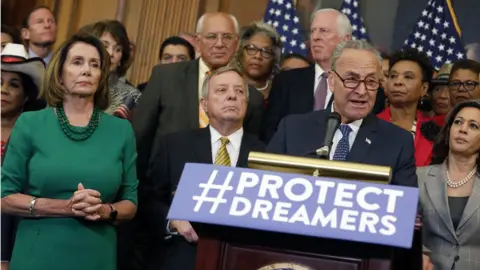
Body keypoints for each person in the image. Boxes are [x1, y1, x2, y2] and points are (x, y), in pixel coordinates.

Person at [0, 33, 138, 270]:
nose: (86, 70)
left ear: (101, 76)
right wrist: (65, 207)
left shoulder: (121, 130)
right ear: (60, 75)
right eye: (77, 62)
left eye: (94, 64)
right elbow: (5, 198)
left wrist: (105, 210)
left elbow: (131, 203)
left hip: (97, 255)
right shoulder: (30, 124)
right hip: (37, 254)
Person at [143, 66, 266, 270]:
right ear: (204, 104)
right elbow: (150, 200)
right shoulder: (174, 146)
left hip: (241, 261)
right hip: (182, 259)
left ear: (246, 101)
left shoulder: (265, 154)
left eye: (239, 91)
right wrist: (172, 220)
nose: (232, 96)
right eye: (221, 90)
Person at [132, 12, 264, 184]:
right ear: (197, 41)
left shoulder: (251, 96)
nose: (219, 44)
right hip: (164, 189)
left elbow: (250, 150)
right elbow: (139, 137)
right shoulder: (166, 77)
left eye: (227, 37)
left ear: (236, 43)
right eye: (211, 36)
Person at [267, 40, 417, 187]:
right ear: (332, 81)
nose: (362, 91)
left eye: (371, 81)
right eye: (352, 79)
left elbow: (405, 207)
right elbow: (266, 186)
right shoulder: (293, 129)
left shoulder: (398, 143)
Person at [262, 8, 385, 142]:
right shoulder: (286, 81)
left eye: (324, 31)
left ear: (345, 39)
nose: (315, 37)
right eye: (313, 31)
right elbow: (270, 133)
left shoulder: (366, 89)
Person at [418, 100, 480, 270]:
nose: (463, 129)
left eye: (473, 126)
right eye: (458, 122)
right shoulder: (419, 177)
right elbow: (404, 229)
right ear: (449, 129)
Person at [1, 43, 47, 270]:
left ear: (27, 95)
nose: (3, 90)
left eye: (14, 84)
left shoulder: (35, 138)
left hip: (16, 240)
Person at [377, 49, 436, 167]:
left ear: (423, 88)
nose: (398, 82)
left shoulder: (435, 133)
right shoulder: (369, 126)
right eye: (393, 76)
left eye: (408, 77)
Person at [78, 20, 141, 118]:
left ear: (121, 59)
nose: (111, 53)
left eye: (118, 49)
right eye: (105, 46)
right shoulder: (74, 85)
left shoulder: (131, 97)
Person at [231, 21, 282, 100]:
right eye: (251, 49)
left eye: (266, 51)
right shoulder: (227, 86)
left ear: (274, 58)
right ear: (240, 53)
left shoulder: (280, 92)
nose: (258, 56)